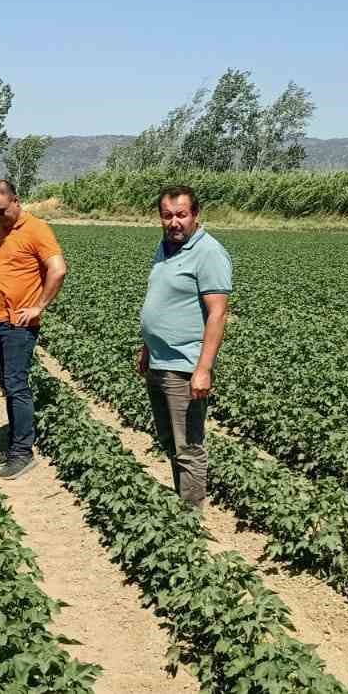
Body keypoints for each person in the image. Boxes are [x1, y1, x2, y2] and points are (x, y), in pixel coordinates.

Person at [137, 185, 231, 509]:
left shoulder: (209, 252)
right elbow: (161, 300)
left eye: (181, 215)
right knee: (168, 439)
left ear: (195, 215)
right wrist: (147, 348)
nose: (174, 222)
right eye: (167, 216)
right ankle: (182, 500)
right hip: (159, 360)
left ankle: (190, 516)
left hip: (184, 365)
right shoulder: (165, 246)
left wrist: (203, 369)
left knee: (188, 445)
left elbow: (218, 312)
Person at [0, 179, 67, 479]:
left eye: (1, 210)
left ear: (16, 201)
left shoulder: (37, 229)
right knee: (7, 384)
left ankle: (23, 452)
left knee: (17, 386)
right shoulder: (1, 231)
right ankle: (13, 447)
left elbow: (58, 269)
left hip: (18, 326)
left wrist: (38, 306)